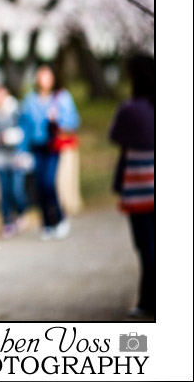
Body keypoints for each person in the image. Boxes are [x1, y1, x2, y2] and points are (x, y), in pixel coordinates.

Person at [108, 53, 154, 318]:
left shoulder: (129, 109)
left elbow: (116, 137)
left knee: (146, 246)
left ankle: (149, 299)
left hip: (139, 184)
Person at [19, 64, 80, 240]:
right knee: (38, 186)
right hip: (35, 147)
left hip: (52, 146)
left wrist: (58, 118)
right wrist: (21, 151)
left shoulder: (61, 98)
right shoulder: (29, 100)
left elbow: (73, 121)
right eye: (40, 76)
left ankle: (59, 218)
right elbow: (24, 126)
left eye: (47, 76)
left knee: (48, 183)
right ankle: (46, 223)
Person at [0, 84, 30, 238]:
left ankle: (22, 212)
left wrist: (12, 138)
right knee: (3, 192)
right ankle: (7, 222)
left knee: (16, 190)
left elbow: (25, 132)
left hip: (16, 157)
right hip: (0, 158)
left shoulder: (17, 111)